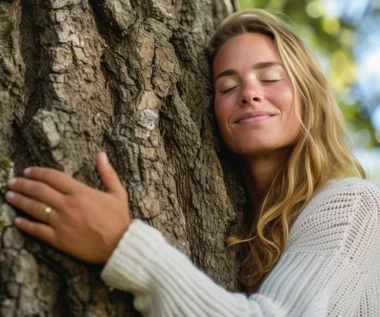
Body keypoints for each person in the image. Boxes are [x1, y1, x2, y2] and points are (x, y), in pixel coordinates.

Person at [5, 8, 380, 316]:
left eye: (270, 78)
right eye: (228, 87)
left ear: (308, 97)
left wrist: (123, 244)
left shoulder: (352, 205)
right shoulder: (247, 233)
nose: (249, 93)